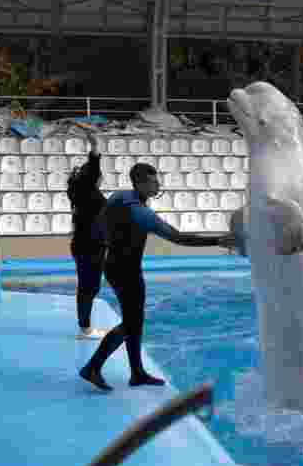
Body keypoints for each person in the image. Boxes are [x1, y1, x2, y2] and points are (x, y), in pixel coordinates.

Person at [78, 162, 236, 391]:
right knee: (132, 323)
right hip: (126, 272)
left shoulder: (119, 197)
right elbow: (178, 238)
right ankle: (93, 367)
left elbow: (101, 225)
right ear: (140, 183)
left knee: (135, 320)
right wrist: (218, 241)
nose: (158, 185)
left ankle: (137, 373)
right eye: (153, 181)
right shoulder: (140, 213)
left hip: (114, 265)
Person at [67, 134, 109, 339]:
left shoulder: (82, 193)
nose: (101, 177)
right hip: (90, 246)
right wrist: (95, 146)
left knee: (88, 287)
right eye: (98, 175)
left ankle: (85, 327)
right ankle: (85, 329)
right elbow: (93, 166)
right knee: (88, 288)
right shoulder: (87, 191)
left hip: (87, 244)